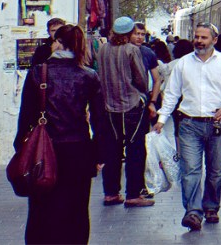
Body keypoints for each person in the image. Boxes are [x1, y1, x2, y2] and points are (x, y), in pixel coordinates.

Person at [16, 24, 105, 244]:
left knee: (41, 209)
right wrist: (98, 155)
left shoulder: (38, 72)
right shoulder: (89, 76)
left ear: (57, 43)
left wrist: (21, 148)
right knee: (76, 210)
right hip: (78, 152)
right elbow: (99, 120)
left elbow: (25, 116)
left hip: (44, 152)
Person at [153, 22, 221, 231]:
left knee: (215, 170)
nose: (199, 41)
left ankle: (211, 207)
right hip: (189, 123)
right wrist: (161, 119)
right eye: (197, 37)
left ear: (214, 40)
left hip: (217, 124)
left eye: (204, 37)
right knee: (190, 170)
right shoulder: (184, 64)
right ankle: (193, 212)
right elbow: (172, 94)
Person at [95, 16, 154, 208]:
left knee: (112, 150)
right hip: (131, 106)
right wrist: (144, 93)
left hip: (109, 107)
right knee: (135, 150)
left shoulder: (103, 50)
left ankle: (111, 193)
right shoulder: (131, 50)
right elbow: (140, 79)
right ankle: (133, 194)